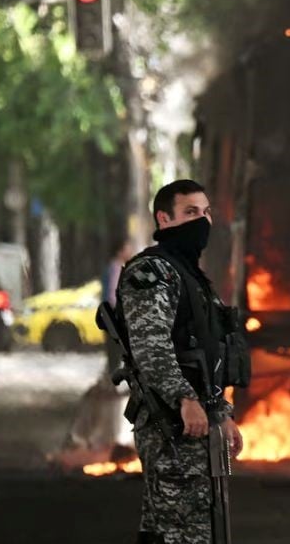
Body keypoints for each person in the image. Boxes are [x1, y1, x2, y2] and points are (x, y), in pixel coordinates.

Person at [118, 179, 245, 543]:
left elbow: (209, 358)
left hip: (198, 423)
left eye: (206, 212)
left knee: (168, 531)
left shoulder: (192, 278)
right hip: (171, 424)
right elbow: (151, 347)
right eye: (191, 212)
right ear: (164, 219)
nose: (202, 221)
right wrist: (184, 398)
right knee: (187, 533)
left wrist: (221, 413)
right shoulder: (152, 272)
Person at [102, 237, 132, 378]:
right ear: (120, 251)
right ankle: (111, 383)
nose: (130, 251)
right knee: (115, 350)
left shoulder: (115, 266)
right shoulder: (117, 267)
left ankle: (111, 381)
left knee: (115, 351)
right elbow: (113, 294)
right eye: (127, 248)